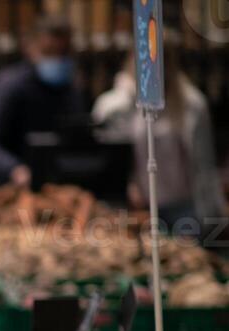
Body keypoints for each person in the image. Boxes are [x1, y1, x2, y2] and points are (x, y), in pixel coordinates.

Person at [92, 39, 227, 244]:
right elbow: (108, 151)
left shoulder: (192, 104)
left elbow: (204, 160)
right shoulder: (117, 105)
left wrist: (215, 208)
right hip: (139, 207)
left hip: (185, 206)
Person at [0, 15, 87, 187]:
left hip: (62, 186)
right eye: (48, 52)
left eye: (63, 52)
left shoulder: (71, 88)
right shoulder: (9, 86)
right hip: (15, 188)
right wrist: (14, 170)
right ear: (30, 48)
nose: (57, 59)